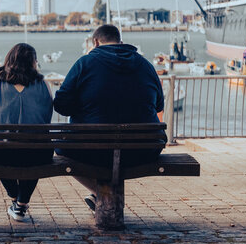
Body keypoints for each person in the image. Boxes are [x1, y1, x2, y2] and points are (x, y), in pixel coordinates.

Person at [53, 24, 165, 212]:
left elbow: (61, 105)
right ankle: (101, 192)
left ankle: (102, 191)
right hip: (144, 149)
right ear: (121, 42)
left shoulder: (85, 63)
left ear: (95, 42)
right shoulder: (145, 65)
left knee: (60, 148)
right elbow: (158, 105)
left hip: (92, 149)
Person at [0, 43, 53, 222]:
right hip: (37, 154)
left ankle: (15, 198)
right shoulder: (44, 85)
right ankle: (21, 203)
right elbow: (46, 118)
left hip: (1, 154)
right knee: (37, 149)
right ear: (33, 62)